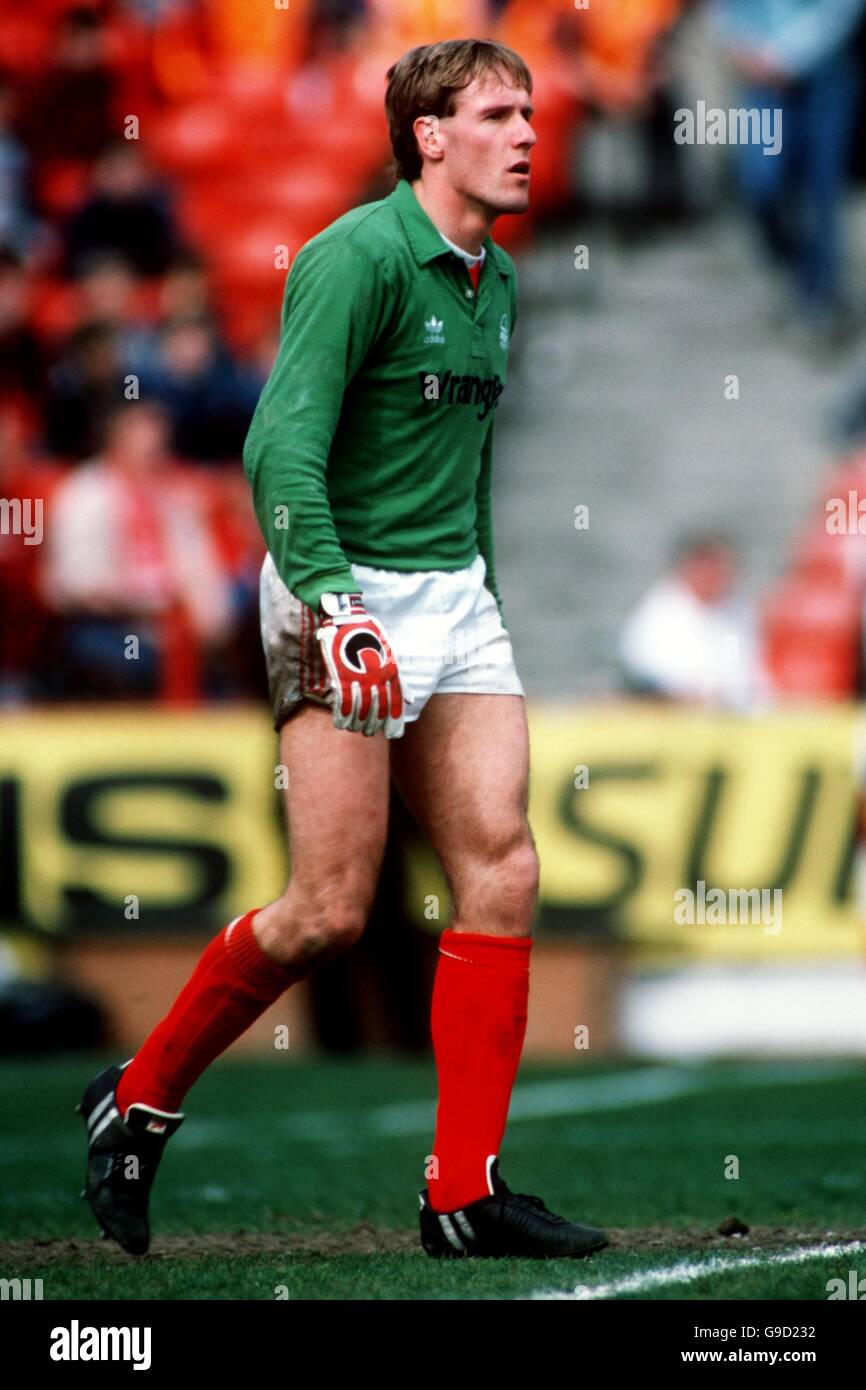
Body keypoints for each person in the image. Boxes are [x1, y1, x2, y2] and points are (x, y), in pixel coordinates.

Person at [77, 37, 608, 1262]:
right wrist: (331, 599)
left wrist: (478, 597)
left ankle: (463, 1196)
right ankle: (139, 1094)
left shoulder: (498, 278)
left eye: (529, 111)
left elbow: (464, 472)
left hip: (452, 598)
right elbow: (279, 449)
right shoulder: (353, 258)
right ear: (428, 134)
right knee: (325, 908)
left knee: (505, 867)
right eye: (497, 113)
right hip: (339, 590)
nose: (528, 132)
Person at [711, 0, 866, 339]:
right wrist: (743, 49)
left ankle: (819, 302)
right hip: (761, 82)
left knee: (820, 194)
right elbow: (723, 11)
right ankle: (797, 267)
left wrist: (787, 56)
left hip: (826, 76)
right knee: (760, 185)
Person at [619, 534, 764, 709]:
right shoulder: (661, 613)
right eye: (709, 568)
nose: (717, 577)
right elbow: (649, 676)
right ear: (690, 568)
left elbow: (746, 673)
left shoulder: (739, 611)